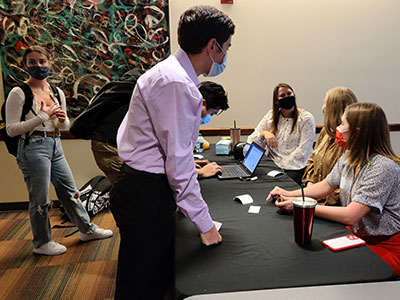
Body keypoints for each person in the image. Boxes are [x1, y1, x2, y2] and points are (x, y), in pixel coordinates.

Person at [110, 5, 235, 300]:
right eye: (227, 47)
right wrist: (205, 225)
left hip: (138, 187)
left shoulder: (170, 74)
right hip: (145, 193)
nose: (227, 55)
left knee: (142, 275)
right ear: (212, 46)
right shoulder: (177, 84)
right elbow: (178, 166)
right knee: (144, 284)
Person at [267, 102, 400, 276]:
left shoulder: (382, 167)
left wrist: (301, 205)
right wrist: (289, 193)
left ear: (357, 132)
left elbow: (351, 215)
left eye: (343, 124)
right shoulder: (350, 155)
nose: (338, 127)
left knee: (334, 269)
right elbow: (327, 185)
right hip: (359, 234)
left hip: (386, 245)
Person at [5, 46, 113, 256]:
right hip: (32, 148)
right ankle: (42, 242)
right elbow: (10, 130)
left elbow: (62, 127)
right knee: (40, 199)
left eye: (42, 61)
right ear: (24, 65)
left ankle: (87, 230)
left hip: (55, 145)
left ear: (49, 63)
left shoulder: (56, 92)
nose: (38, 66)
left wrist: (61, 121)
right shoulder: (19, 93)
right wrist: (42, 117)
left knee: (71, 192)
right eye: (33, 62)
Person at [70, 68, 143, 185]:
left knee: (130, 191)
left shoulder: (122, 88)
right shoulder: (132, 88)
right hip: (108, 146)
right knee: (129, 190)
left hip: (112, 145)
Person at [247, 83, 315, 185]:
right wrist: (264, 134)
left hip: (294, 167)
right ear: (276, 101)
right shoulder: (270, 116)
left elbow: (303, 152)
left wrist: (280, 167)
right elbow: (251, 143)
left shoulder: (306, 118)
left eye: (289, 93)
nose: (287, 97)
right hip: (272, 165)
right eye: (282, 96)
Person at [302, 87, 358, 205]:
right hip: (315, 198)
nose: (323, 107)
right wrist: (310, 189)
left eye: (325, 102)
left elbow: (345, 184)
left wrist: (316, 201)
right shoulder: (326, 132)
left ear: (334, 108)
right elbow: (312, 161)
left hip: (333, 206)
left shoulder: (348, 140)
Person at [196, 81, 229, 178]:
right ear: (202, 103)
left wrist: (189, 164)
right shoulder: (179, 121)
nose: (209, 118)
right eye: (212, 113)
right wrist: (201, 172)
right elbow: (172, 168)